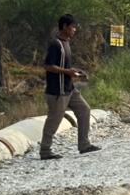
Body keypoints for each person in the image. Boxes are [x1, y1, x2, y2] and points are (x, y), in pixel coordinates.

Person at [39, 13, 101, 160]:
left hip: (69, 89)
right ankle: (45, 150)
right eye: (73, 27)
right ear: (65, 27)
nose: (75, 30)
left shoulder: (66, 43)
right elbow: (48, 66)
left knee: (84, 110)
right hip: (57, 91)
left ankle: (84, 145)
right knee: (54, 121)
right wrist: (68, 72)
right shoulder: (56, 44)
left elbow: (64, 66)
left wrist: (77, 72)